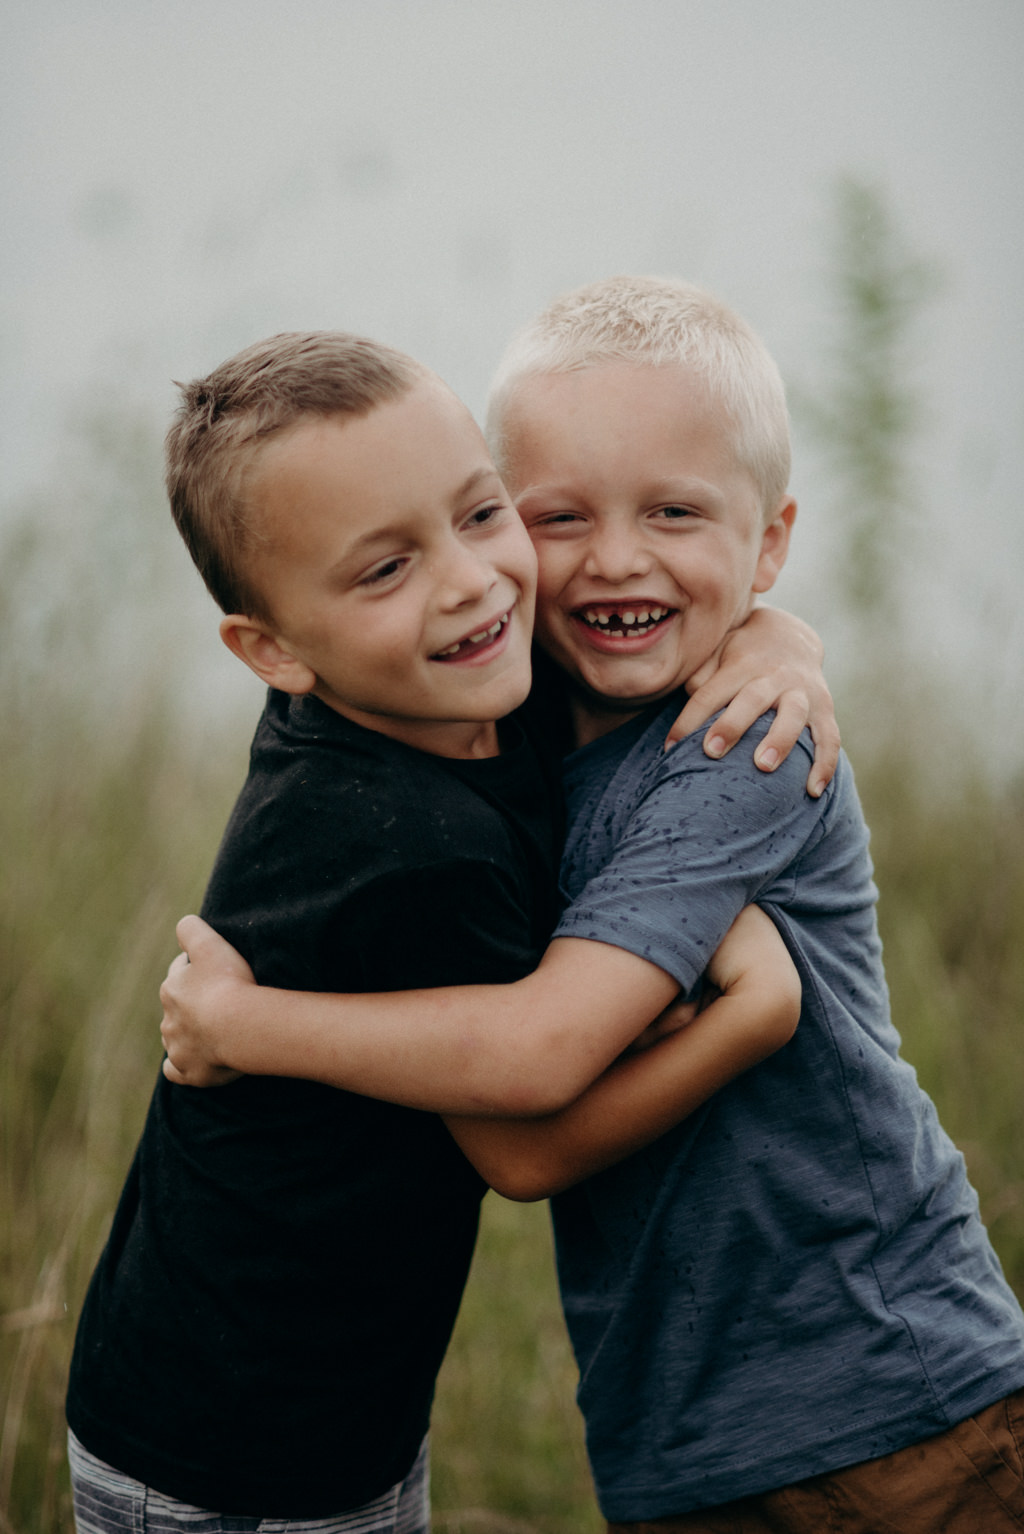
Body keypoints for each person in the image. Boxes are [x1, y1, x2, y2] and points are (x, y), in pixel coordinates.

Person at [162, 278, 1024, 1532]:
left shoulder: (741, 749)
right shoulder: (516, 705)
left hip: (883, 1390)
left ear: (770, 538)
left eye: (674, 512)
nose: (615, 557)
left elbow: (539, 1059)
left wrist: (247, 1027)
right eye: (555, 515)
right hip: (679, 1418)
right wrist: (776, 628)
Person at [66, 326, 830, 1533]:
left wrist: (779, 637)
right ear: (272, 651)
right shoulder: (402, 848)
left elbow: (634, 633)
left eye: (481, 514)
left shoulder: (449, 679)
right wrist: (756, 1014)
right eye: (384, 570)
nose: (472, 583)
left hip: (323, 1411)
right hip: (236, 1456)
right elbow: (523, 1127)